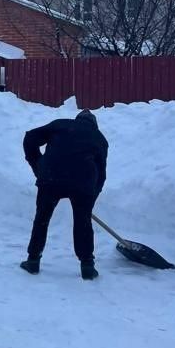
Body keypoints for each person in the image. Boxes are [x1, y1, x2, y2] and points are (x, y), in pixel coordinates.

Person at [21, 109, 109, 280]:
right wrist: (92, 198)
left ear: (76, 119)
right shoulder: (99, 138)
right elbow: (101, 173)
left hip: (51, 178)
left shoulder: (61, 124)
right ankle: (87, 266)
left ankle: (32, 261)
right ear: (94, 125)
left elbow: (30, 137)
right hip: (83, 182)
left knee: (42, 218)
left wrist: (37, 165)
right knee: (82, 222)